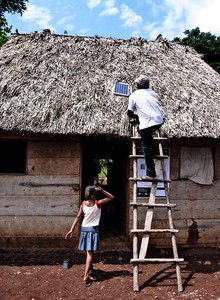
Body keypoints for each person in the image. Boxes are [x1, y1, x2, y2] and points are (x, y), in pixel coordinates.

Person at [65, 185, 114, 287]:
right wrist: (103, 190)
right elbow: (111, 198)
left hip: (84, 229)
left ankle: (89, 266)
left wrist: (72, 229)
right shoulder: (98, 204)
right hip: (93, 230)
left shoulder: (83, 204)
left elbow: (78, 217)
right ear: (94, 194)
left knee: (85, 250)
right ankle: (86, 276)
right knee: (90, 253)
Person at [127, 75, 164, 180]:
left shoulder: (134, 95)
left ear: (138, 85)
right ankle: (156, 150)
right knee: (145, 134)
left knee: (146, 146)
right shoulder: (153, 93)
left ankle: (150, 173)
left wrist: (136, 116)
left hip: (147, 123)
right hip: (159, 121)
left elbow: (129, 112)